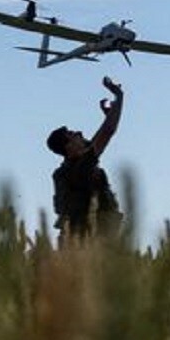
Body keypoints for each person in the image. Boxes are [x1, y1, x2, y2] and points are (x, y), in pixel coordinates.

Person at [46, 76, 124, 244]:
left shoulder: (71, 168)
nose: (79, 133)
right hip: (92, 243)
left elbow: (103, 134)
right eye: (73, 135)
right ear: (69, 148)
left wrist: (109, 115)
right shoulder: (81, 167)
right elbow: (107, 132)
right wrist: (119, 96)